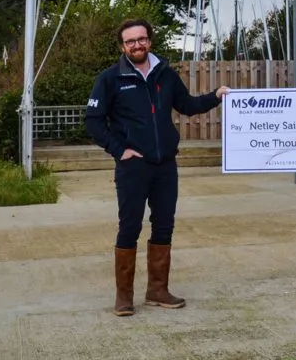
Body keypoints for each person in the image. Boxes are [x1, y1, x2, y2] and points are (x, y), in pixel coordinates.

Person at [85, 18, 230, 317]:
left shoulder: (166, 74)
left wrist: (216, 96)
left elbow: (188, 105)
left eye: (141, 39)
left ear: (150, 40)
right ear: (122, 46)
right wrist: (118, 149)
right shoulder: (110, 78)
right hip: (133, 167)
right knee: (130, 227)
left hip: (166, 165)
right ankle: (124, 296)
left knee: (164, 225)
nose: (136, 45)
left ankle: (157, 290)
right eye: (130, 41)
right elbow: (93, 121)